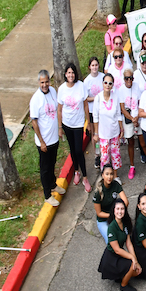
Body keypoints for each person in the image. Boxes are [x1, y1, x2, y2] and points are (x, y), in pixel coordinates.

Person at [30, 71, 65, 207]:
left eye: (46, 82)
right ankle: (47, 195)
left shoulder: (53, 92)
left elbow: (57, 111)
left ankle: (52, 185)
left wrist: (60, 128)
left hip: (54, 139)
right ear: (39, 83)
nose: (45, 85)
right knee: (45, 168)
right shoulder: (35, 99)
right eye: (42, 82)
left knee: (52, 164)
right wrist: (42, 141)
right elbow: (34, 122)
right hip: (43, 142)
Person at [57, 63, 91, 193]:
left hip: (78, 124)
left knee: (78, 150)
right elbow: (59, 110)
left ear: (75, 74)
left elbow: (86, 105)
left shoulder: (81, 86)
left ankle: (85, 177)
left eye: (73, 73)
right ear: (65, 74)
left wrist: (88, 122)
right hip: (67, 124)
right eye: (68, 73)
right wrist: (60, 127)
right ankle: (76, 171)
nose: (71, 75)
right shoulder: (61, 89)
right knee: (72, 150)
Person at [98, 199, 141, 291]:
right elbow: (117, 250)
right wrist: (132, 259)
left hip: (119, 254)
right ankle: (124, 285)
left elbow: (128, 244)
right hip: (111, 258)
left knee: (136, 270)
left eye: (122, 209)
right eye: (117, 209)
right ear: (114, 210)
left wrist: (135, 259)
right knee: (131, 266)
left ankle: (120, 275)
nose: (120, 211)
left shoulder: (124, 224)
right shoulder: (112, 227)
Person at [93, 73, 124, 178]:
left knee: (115, 156)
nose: (107, 85)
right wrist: (96, 133)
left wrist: (121, 129)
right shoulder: (98, 98)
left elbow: (118, 114)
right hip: (103, 134)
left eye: (110, 83)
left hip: (114, 132)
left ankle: (115, 176)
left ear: (112, 85)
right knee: (105, 158)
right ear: (102, 84)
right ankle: (105, 178)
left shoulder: (115, 97)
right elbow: (95, 117)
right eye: (105, 82)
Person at [92, 165, 128, 242]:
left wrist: (119, 212)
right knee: (111, 240)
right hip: (103, 220)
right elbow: (99, 213)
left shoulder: (116, 184)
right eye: (107, 174)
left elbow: (125, 202)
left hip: (115, 217)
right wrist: (113, 215)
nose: (109, 177)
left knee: (125, 235)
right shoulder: (98, 192)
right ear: (102, 175)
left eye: (111, 174)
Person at [119, 69, 142, 180]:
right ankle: (132, 166)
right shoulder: (121, 90)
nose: (129, 80)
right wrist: (132, 119)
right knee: (131, 142)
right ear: (124, 79)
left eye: (131, 78)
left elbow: (140, 102)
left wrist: (137, 118)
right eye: (126, 78)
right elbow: (123, 109)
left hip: (138, 117)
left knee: (143, 142)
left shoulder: (137, 86)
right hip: (128, 118)